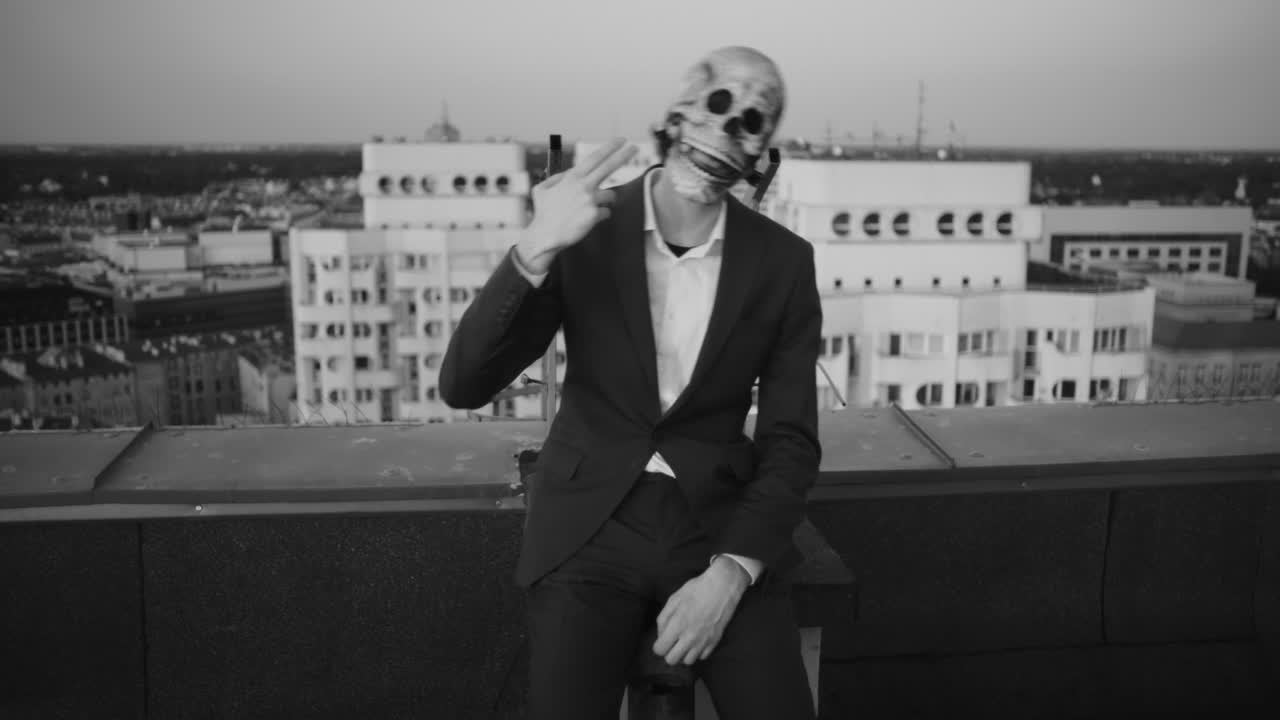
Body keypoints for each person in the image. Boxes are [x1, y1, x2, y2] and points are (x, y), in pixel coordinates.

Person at [439, 46, 822, 720]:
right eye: (716, 107)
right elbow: (464, 384)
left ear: (762, 150)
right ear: (675, 116)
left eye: (750, 122)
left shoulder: (784, 263)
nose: (724, 133)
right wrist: (534, 249)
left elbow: (792, 440)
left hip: (717, 524)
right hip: (589, 523)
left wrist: (732, 574)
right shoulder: (589, 226)